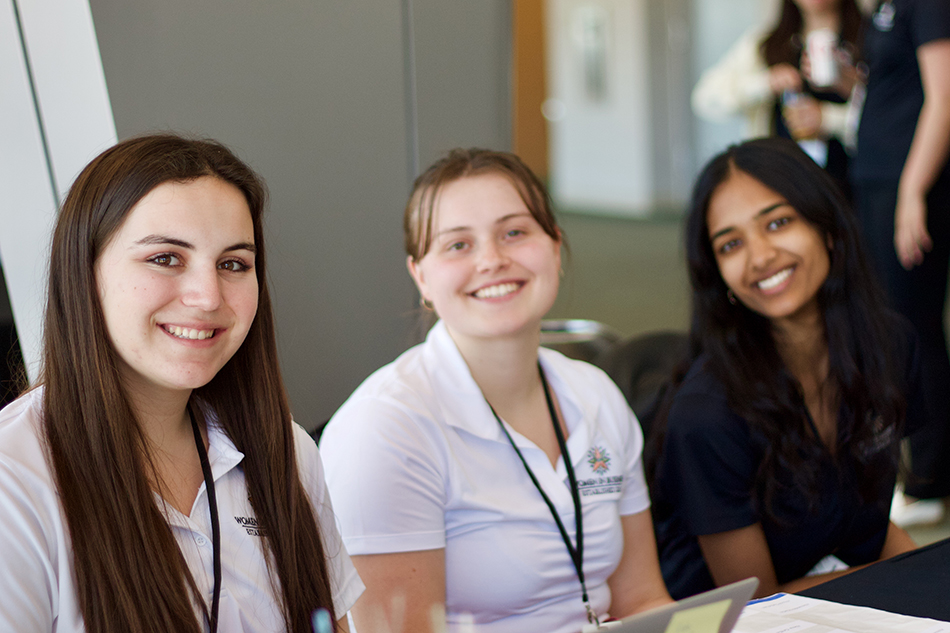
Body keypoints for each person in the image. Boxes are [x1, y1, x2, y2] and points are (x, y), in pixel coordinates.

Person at [0, 134, 363, 632]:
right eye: (166, 258)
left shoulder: (286, 452)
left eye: (233, 264)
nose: (207, 296)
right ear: (84, 272)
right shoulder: (15, 481)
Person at [320, 149, 671, 633]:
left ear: (555, 247)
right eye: (457, 245)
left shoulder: (595, 394)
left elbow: (643, 601)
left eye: (514, 232)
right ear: (421, 276)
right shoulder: (385, 428)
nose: (492, 260)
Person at [650, 137, 920, 600]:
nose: (759, 257)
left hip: (837, 593)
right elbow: (755, 603)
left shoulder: (889, 346)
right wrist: (900, 581)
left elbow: (870, 524)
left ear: (828, 229)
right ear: (718, 274)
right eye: (731, 244)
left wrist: (923, 575)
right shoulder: (707, 413)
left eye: (778, 223)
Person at [850, 0, 950, 526]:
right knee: (889, 322)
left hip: (908, 186)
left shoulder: (927, 4)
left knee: (913, 326)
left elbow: (944, 99)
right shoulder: (883, 8)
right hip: (877, 180)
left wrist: (913, 192)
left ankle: (931, 478)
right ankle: (920, 471)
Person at [692, 0, 863, 194]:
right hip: (782, 184)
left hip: (852, 183)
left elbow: (891, 118)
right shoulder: (766, 44)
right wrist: (765, 84)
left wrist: (828, 119)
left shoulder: (870, 39)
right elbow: (705, 99)